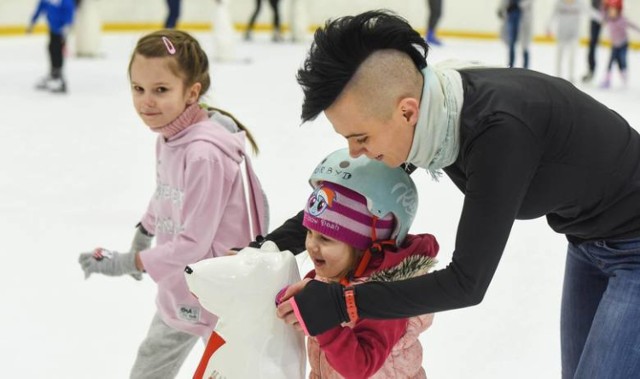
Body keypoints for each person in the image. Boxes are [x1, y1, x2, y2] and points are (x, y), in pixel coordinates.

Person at [267, 10, 640, 379]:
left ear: (406, 112)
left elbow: (467, 283)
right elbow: (350, 196)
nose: (353, 153)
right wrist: (267, 246)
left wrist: (341, 303)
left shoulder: (497, 134)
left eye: (361, 138)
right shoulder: (439, 105)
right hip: (589, 239)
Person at [77, 30, 268, 379]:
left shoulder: (203, 154)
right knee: (149, 367)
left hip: (220, 297)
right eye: (138, 88)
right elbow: (167, 190)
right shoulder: (170, 134)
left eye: (160, 90)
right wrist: (144, 230)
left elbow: (193, 244)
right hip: (181, 290)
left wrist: (127, 262)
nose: (146, 102)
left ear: (192, 92)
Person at [281, 148, 438, 378]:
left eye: (326, 238)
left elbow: (360, 366)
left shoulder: (389, 299)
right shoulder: (332, 271)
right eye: (310, 232)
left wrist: (322, 318)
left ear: (368, 246)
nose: (312, 246)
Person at [27, 0, 75, 93]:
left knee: (57, 51)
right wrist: (33, 21)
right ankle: (54, 74)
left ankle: (60, 79)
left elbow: (69, 11)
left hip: (61, 30)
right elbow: (40, 7)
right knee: (51, 48)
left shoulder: (65, 1)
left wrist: (67, 27)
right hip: (53, 28)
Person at [546, 0, 591, 83]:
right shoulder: (559, 3)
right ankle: (558, 76)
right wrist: (548, 27)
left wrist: (602, 18)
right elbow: (552, 15)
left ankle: (571, 76)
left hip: (574, 36)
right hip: (561, 35)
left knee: (572, 57)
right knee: (559, 56)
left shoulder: (579, 4)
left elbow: (590, 12)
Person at [599, 0, 640, 88]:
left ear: (618, 11)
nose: (611, 12)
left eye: (613, 10)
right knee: (610, 62)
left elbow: (632, 25)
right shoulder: (607, 19)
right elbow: (602, 14)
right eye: (609, 10)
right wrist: (604, 5)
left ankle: (624, 75)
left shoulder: (622, 20)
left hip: (623, 45)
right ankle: (607, 79)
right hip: (614, 45)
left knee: (622, 60)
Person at [497, 0, 533, 68]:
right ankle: (511, 65)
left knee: (524, 45)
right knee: (511, 42)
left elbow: (529, 2)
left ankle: (526, 68)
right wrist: (501, 8)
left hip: (524, 16)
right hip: (512, 15)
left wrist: (518, 5)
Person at [582, 0, 603, 83]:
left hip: (606, 16)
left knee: (592, 45)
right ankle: (591, 70)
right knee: (592, 45)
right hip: (595, 18)